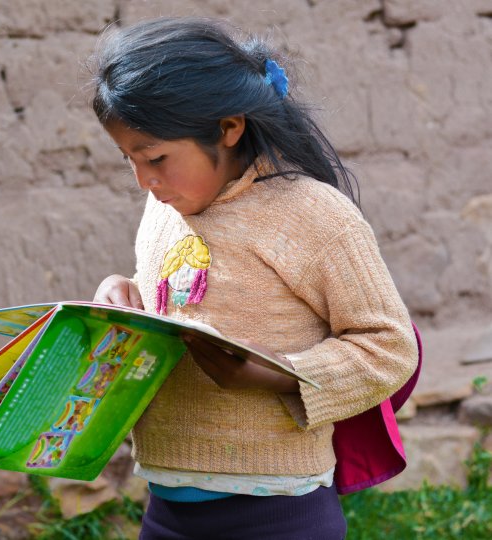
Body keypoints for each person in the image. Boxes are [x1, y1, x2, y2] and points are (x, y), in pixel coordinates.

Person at [89, 17, 419, 540]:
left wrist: (278, 373)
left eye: (155, 158)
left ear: (229, 127)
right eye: (127, 158)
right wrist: (122, 294)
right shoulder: (164, 210)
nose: (145, 181)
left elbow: (390, 349)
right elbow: (175, 300)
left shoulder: (313, 216)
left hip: (280, 514)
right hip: (166, 504)